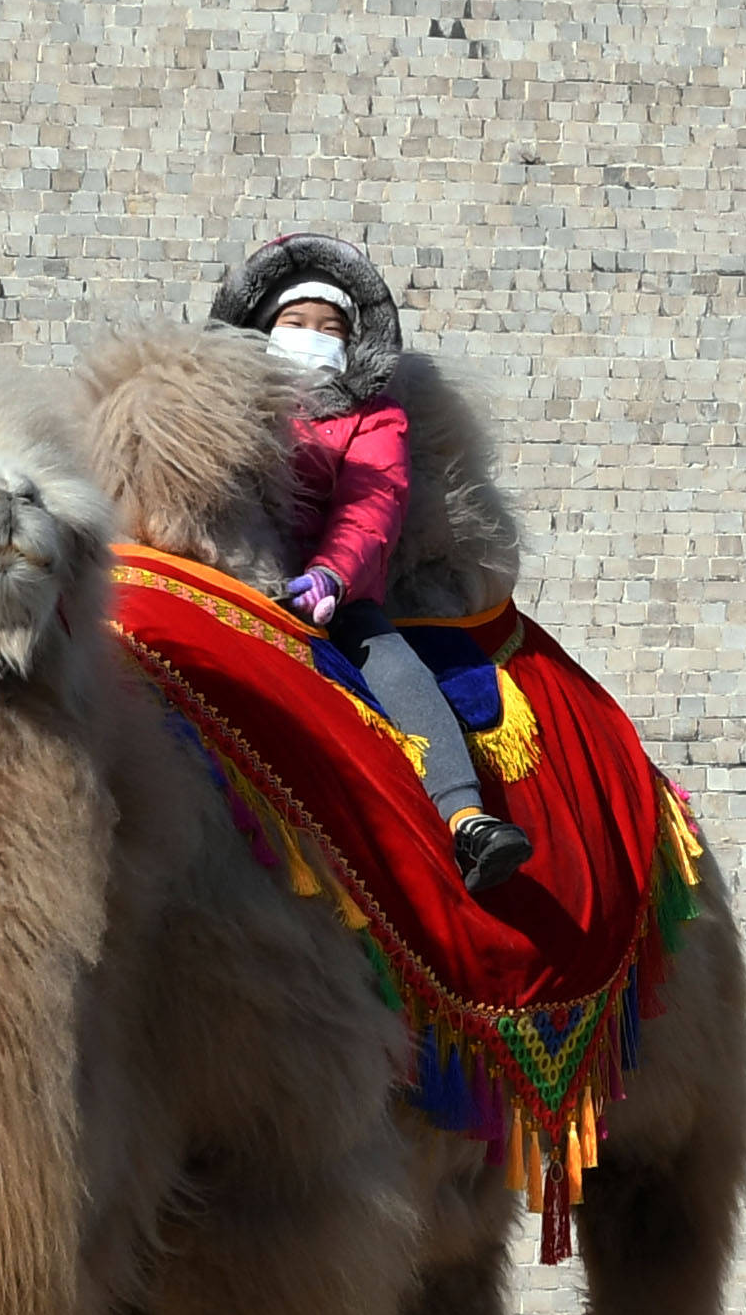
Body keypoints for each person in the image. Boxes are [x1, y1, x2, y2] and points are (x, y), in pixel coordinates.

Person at [207, 234, 535, 898]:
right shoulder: (212, 408)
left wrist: (331, 576)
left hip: (335, 598)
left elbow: (372, 503)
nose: (312, 337)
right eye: (294, 324)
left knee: (393, 664)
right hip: (231, 587)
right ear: (260, 331)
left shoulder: (372, 414)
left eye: (330, 327)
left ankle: (463, 813)